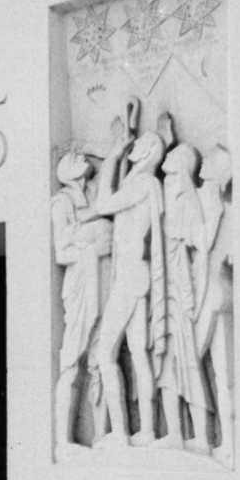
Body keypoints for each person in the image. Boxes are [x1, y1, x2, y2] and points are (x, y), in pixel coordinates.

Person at [90, 124, 167, 445]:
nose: (135, 145)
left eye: (142, 143)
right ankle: (145, 431)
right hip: (136, 276)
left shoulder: (145, 182)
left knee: (104, 353)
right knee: (137, 353)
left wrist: (112, 158)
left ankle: (121, 432)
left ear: (148, 153)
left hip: (130, 277)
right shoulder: (141, 182)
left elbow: (102, 205)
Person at [52, 150, 112, 449]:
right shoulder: (62, 202)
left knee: (100, 360)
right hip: (81, 283)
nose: (83, 157)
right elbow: (61, 252)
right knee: (72, 361)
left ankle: (100, 435)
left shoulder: (93, 192)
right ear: (69, 171)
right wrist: (93, 248)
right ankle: (63, 441)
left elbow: (111, 157)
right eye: (76, 157)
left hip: (102, 279)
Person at [155, 142, 207, 450]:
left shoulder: (186, 197)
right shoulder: (168, 190)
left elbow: (198, 243)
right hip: (164, 290)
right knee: (166, 366)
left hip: (179, 288)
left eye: (173, 154)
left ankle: (200, 436)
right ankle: (174, 434)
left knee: (186, 363)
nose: (168, 155)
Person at [192, 145, 234, 460]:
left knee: (221, 370)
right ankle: (211, 437)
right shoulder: (204, 197)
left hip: (217, 297)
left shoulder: (224, 206)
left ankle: (225, 439)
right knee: (214, 369)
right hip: (203, 296)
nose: (204, 160)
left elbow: (208, 243)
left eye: (213, 159)